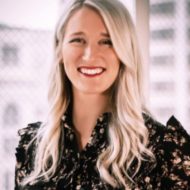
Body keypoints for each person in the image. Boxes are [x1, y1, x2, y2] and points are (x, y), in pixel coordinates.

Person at [15, 0, 190, 189]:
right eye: (78, 40)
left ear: (125, 52)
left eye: (107, 41)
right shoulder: (31, 147)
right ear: (59, 49)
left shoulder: (165, 151)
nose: (89, 55)